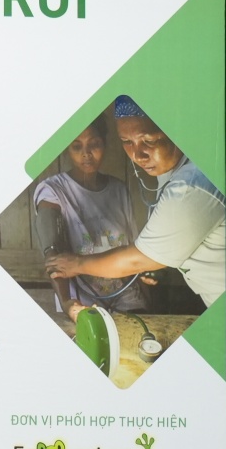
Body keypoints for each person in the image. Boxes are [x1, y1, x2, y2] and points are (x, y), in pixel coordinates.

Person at [45, 97, 226, 309]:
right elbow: (49, 241)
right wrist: (66, 301)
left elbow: (139, 258)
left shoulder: (190, 186)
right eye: (127, 142)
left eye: (148, 140)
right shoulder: (53, 189)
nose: (138, 155)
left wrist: (77, 264)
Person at [31, 116, 148, 317]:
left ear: (104, 144)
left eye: (94, 144)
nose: (86, 153)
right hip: (84, 303)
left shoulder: (119, 190)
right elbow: (52, 254)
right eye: (77, 147)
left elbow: (135, 247)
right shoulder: (53, 190)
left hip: (127, 298)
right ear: (67, 149)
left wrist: (146, 287)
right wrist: (67, 303)